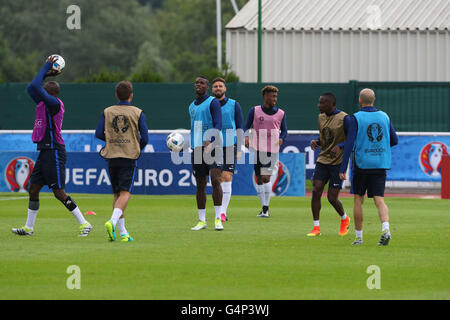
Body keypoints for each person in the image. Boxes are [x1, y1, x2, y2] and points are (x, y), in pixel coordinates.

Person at [12, 55, 93, 237]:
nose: (40, 92)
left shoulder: (54, 104)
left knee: (58, 192)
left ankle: (84, 223)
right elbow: (30, 88)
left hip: (54, 150)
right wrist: (47, 74)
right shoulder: (45, 102)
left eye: (44, 90)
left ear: (50, 93)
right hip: (45, 150)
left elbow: (34, 87)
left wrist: (47, 66)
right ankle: (29, 228)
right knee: (33, 189)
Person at [339, 88, 398, 246]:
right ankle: (386, 229)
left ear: (360, 101)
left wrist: (342, 168)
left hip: (362, 164)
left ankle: (359, 237)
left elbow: (350, 144)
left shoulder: (355, 118)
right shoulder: (384, 116)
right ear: (374, 99)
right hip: (380, 164)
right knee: (379, 199)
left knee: (358, 199)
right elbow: (394, 140)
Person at [95, 81, 148, 242]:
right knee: (125, 193)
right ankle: (112, 221)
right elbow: (145, 138)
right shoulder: (138, 112)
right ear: (131, 95)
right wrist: (135, 146)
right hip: (129, 156)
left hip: (111, 156)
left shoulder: (107, 111)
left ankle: (122, 232)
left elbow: (98, 133)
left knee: (117, 194)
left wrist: (112, 139)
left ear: (116, 95)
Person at [308, 93, 350, 237]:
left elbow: (353, 139)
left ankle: (344, 218)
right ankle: (316, 227)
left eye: (322, 103)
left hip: (338, 162)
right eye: (319, 102)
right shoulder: (321, 117)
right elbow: (326, 137)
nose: (319, 106)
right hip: (323, 159)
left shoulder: (345, 118)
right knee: (316, 189)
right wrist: (317, 141)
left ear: (331, 104)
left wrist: (341, 146)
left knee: (332, 198)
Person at [244, 85, 287, 218]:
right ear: (265, 96)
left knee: (265, 177)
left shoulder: (281, 113)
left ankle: (266, 208)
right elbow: (246, 126)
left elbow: (284, 130)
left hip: (272, 149)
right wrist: (246, 137)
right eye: (272, 96)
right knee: (259, 180)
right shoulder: (254, 110)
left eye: (276, 96)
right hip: (257, 148)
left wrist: (281, 138)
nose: (274, 98)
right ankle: (263, 209)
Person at [189, 76, 224, 231]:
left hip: (214, 146)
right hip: (197, 148)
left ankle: (218, 219)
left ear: (207, 87)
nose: (198, 85)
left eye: (202, 83)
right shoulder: (191, 106)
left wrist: (210, 139)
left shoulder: (213, 102)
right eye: (196, 82)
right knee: (200, 184)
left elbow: (218, 124)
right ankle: (202, 220)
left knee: (215, 180)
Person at [211, 77, 244, 222]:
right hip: (214, 145)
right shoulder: (209, 105)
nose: (218, 88)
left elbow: (239, 127)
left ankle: (223, 213)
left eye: (220, 86)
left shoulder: (234, 104)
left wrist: (239, 148)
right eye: (215, 86)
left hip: (230, 144)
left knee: (227, 177)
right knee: (216, 178)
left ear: (225, 89)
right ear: (212, 89)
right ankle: (218, 209)